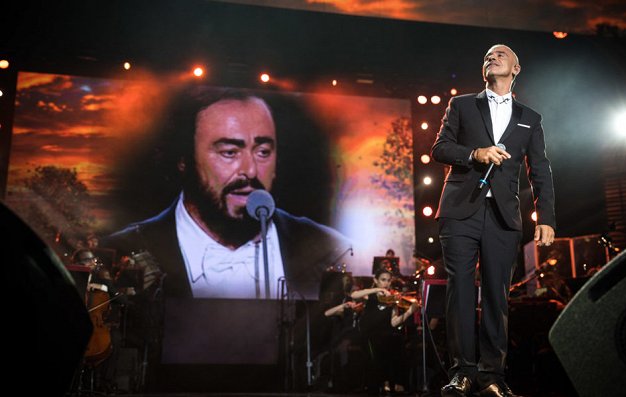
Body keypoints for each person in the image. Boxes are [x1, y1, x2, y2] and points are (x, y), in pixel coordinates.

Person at [102, 88, 352, 300]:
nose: (251, 170)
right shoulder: (123, 250)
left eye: (263, 151)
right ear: (183, 160)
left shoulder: (329, 250)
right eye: (229, 152)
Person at [431, 44, 555, 397]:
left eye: (501, 54)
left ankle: (492, 376)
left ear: (516, 68)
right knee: (461, 292)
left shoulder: (530, 117)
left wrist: (546, 217)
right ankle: (462, 372)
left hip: (503, 216)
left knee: (498, 296)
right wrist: (475, 153)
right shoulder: (462, 104)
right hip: (460, 210)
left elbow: (541, 169)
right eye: (487, 55)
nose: (492, 57)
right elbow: (440, 147)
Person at [351, 268, 419, 395]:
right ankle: (379, 384)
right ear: (376, 280)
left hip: (385, 335)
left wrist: (410, 312)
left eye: (388, 281)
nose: (386, 283)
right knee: (377, 350)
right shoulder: (369, 295)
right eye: (383, 280)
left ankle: (393, 383)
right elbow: (354, 295)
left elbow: (393, 322)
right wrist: (378, 289)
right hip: (370, 335)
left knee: (397, 342)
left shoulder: (392, 300)